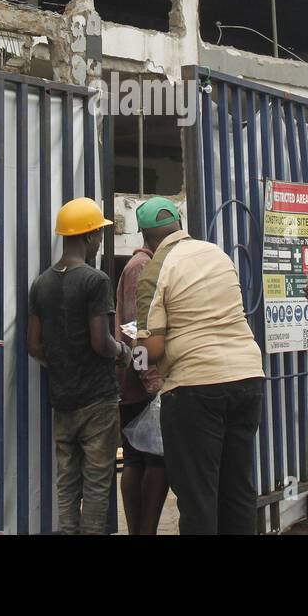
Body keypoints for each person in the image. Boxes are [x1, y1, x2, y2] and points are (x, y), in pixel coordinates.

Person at [134, 197, 265, 534]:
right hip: (247, 378)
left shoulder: (155, 270)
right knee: (238, 488)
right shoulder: (217, 254)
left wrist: (134, 353)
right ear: (179, 224)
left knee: (197, 495)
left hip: (195, 388)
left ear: (145, 238)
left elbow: (152, 347)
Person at [27, 197, 132, 535]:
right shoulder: (95, 281)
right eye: (99, 234)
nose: (101, 240)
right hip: (97, 401)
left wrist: (61, 363)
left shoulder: (41, 284)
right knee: (98, 484)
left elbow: (34, 345)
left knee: (66, 483)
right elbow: (100, 342)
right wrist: (123, 353)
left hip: (63, 399)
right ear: (88, 237)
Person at [115, 214, 168, 535]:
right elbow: (136, 329)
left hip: (135, 377)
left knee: (142, 458)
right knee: (150, 460)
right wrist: (152, 383)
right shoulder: (141, 268)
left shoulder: (143, 265)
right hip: (141, 382)